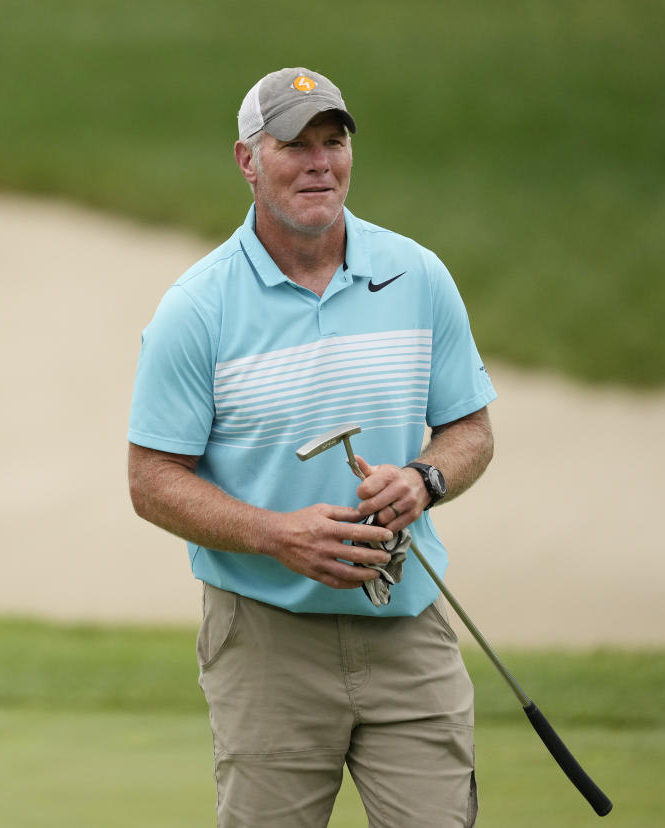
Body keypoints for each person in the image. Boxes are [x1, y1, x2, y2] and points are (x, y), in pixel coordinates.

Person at [127, 67, 496, 827]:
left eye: (334, 141)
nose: (321, 162)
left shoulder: (417, 275)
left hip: (407, 625)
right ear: (247, 160)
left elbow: (471, 430)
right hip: (266, 637)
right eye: (295, 144)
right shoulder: (198, 307)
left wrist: (426, 479)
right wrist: (276, 535)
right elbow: (151, 479)